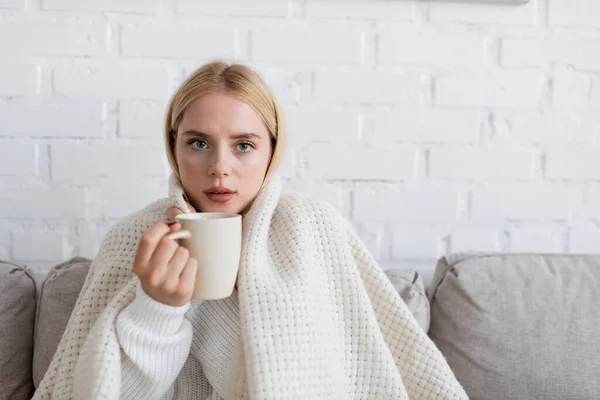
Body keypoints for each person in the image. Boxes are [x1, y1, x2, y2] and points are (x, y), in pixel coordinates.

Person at [33, 61, 467, 400]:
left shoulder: (312, 229)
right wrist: (156, 311)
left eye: (244, 145)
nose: (220, 166)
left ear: (272, 151)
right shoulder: (134, 239)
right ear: (174, 146)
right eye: (198, 143)